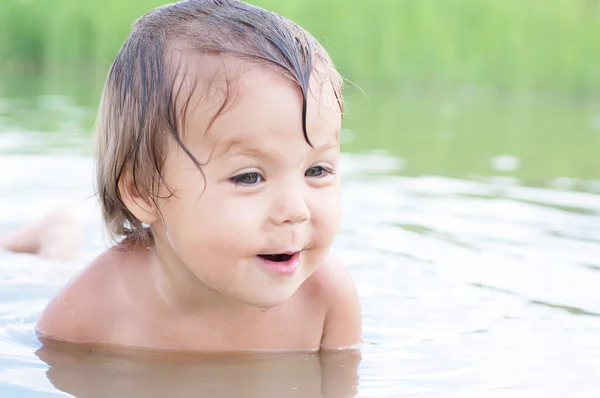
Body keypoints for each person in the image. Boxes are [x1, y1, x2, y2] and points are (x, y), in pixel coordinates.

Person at [35, 0, 362, 352]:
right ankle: (57, 232)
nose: (296, 210)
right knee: (58, 260)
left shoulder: (327, 300)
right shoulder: (85, 316)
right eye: (249, 177)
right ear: (145, 191)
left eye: (317, 170)